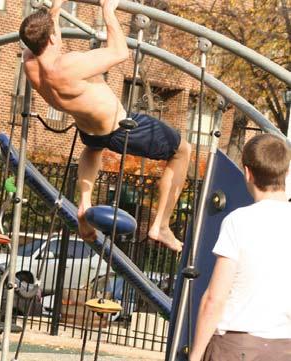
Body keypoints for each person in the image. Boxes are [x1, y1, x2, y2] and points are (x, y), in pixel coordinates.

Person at [19, 0, 191, 252]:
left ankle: (85, 203)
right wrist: (108, 10)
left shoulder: (29, 64)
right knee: (182, 150)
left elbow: (45, 37)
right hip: (120, 128)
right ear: (54, 39)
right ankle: (161, 226)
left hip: (88, 130)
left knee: (92, 150)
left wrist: (55, 10)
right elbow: (120, 52)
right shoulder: (68, 66)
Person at [190, 134, 291, 361]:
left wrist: (195, 355)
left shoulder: (239, 221)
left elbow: (215, 298)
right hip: (284, 347)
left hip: (237, 345)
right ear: (286, 172)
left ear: (247, 172)